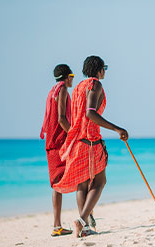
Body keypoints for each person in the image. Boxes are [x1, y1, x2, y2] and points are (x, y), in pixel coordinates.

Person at [53, 55, 129, 238]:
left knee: (83, 184)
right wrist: (117, 129)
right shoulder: (95, 85)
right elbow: (90, 113)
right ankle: (81, 220)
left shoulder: (78, 87)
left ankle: (85, 226)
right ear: (99, 69)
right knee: (100, 181)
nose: (104, 72)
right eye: (104, 68)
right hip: (90, 140)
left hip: (77, 140)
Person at [40, 64, 74, 237]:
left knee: (57, 184)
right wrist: (75, 133)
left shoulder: (52, 90)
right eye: (72, 76)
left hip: (52, 142)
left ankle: (57, 226)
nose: (73, 80)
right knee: (81, 176)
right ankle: (86, 219)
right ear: (66, 77)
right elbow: (61, 119)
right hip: (59, 143)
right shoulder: (61, 91)